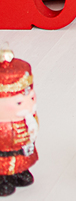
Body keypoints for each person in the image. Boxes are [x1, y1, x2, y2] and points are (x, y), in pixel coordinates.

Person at [0, 50, 37, 197]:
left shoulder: (26, 117)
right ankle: (3, 178)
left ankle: (19, 172)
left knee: (20, 159)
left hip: (20, 148)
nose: (28, 106)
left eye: (31, 99)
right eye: (19, 102)